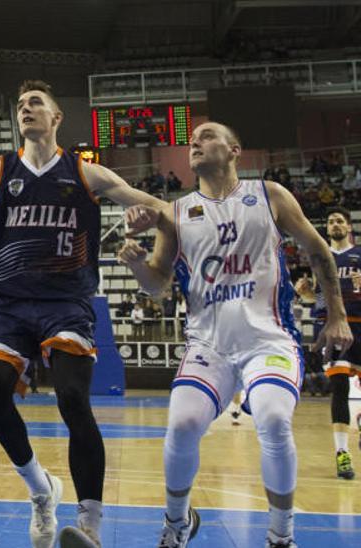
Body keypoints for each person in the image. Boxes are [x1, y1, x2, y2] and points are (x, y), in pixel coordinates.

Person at [0, 80, 166, 548]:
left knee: (73, 399)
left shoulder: (85, 172)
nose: (26, 109)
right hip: (11, 306)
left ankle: (90, 521)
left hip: (66, 304)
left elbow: (153, 205)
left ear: (56, 118)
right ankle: (41, 490)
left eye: (36, 103)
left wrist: (151, 218)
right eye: (20, 105)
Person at [119, 122, 352, 548]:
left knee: (274, 418)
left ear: (234, 150)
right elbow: (157, 285)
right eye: (192, 139)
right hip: (209, 345)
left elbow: (319, 251)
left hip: (269, 339)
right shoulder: (175, 212)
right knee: (183, 423)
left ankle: (281, 536)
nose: (195, 142)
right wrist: (137, 266)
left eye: (207, 136)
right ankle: (176, 524)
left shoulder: (269, 195)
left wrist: (336, 314)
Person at [294, 208, 361, 480]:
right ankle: (342, 453)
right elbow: (318, 301)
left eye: (339, 221)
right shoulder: (320, 258)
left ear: (349, 227)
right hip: (332, 328)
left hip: (359, 323)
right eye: (331, 220)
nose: (334, 224)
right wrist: (308, 295)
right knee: (339, 387)